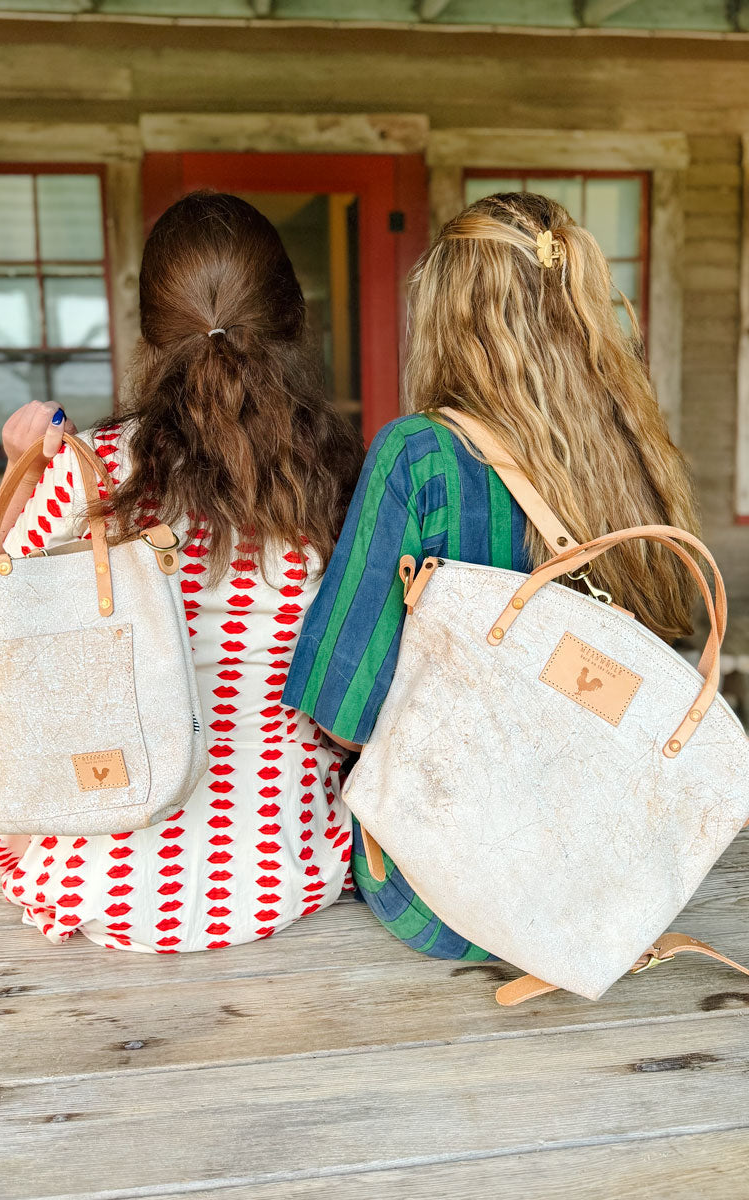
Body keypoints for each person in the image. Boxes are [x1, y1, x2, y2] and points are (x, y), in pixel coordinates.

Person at [283, 192, 700, 961]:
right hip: (603, 883)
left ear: (444, 316)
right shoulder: (635, 454)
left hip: (449, 901)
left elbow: (344, 716)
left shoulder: (419, 456)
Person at [0, 191, 364, 953]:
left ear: (147, 331)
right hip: (280, 871)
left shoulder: (94, 469)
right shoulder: (335, 476)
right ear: (294, 320)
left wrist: (24, 471)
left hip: (100, 881)